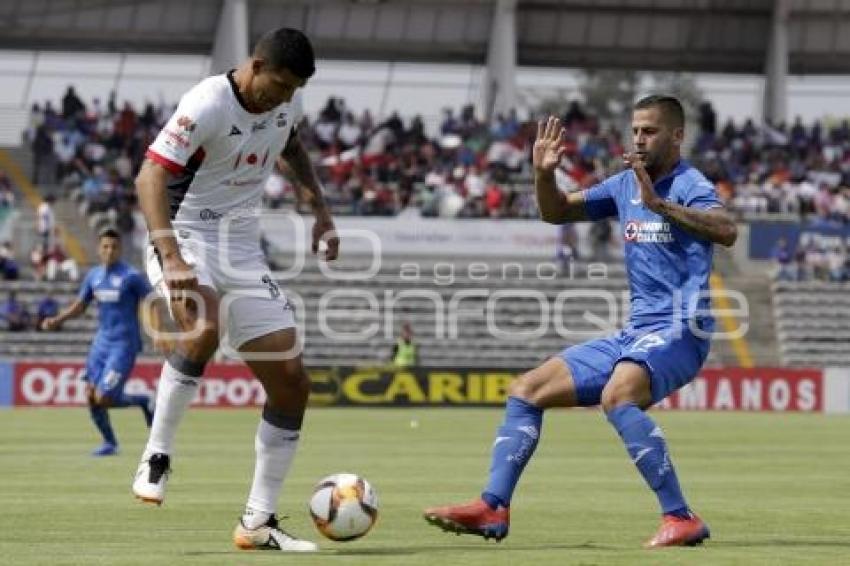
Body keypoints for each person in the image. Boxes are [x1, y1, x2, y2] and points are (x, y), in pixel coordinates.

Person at [423, 95, 738, 548]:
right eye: (635, 130)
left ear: (677, 135)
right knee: (527, 390)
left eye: (649, 131)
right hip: (636, 333)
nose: (639, 139)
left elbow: (726, 229)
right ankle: (493, 506)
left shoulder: (690, 183)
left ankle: (681, 517)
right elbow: (555, 212)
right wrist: (543, 172)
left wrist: (660, 204)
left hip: (681, 330)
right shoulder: (625, 184)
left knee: (617, 394)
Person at [130, 28, 339, 553]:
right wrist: (170, 256)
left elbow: (292, 145)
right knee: (204, 327)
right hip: (183, 235)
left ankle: (258, 522)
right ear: (257, 63)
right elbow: (149, 177)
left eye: (295, 90)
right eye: (280, 84)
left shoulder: (284, 106)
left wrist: (319, 209)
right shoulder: (209, 102)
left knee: (291, 381)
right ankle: (157, 453)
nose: (284, 97)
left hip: (242, 250)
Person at [41, 228, 157, 456]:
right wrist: (58, 319)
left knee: (105, 397)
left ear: (120, 249)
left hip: (123, 345)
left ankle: (143, 401)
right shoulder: (94, 276)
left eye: (114, 247)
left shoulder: (131, 276)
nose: (109, 250)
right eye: (105, 246)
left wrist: (158, 331)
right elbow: (80, 306)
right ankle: (110, 444)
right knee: (91, 397)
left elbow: (152, 300)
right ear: (99, 248)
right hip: (101, 344)